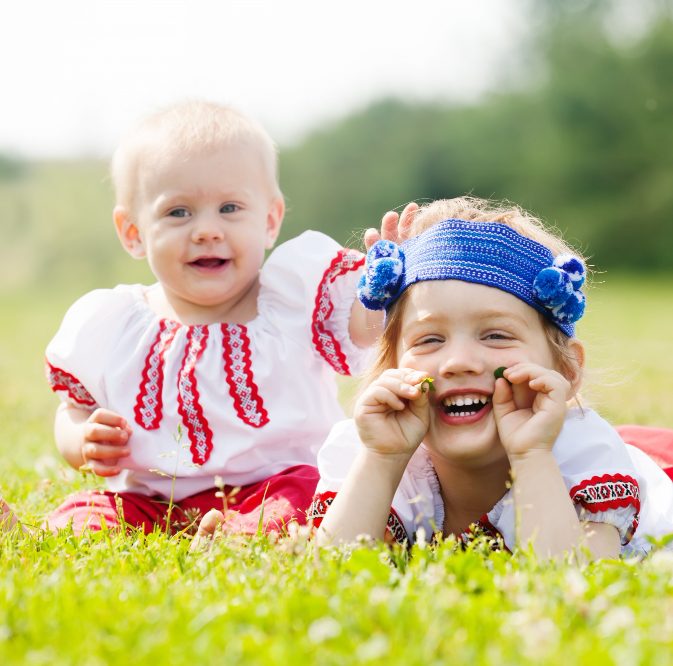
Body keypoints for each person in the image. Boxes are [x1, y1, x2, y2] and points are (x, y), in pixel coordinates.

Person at [2, 100, 414, 537]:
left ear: (270, 220)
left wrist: (384, 287)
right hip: (151, 499)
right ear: (133, 232)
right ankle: (34, 535)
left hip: (274, 484)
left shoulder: (294, 297)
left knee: (303, 501)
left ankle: (240, 538)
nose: (207, 230)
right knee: (90, 514)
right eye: (178, 212)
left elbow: (369, 331)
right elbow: (73, 410)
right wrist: (81, 441)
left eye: (230, 208)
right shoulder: (114, 322)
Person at [310, 197, 673, 560]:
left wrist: (532, 455)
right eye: (429, 339)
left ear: (566, 370)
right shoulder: (372, 454)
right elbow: (330, 577)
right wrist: (381, 459)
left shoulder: (582, 456)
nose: (458, 362)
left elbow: (576, 585)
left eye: (496, 335)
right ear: (390, 369)